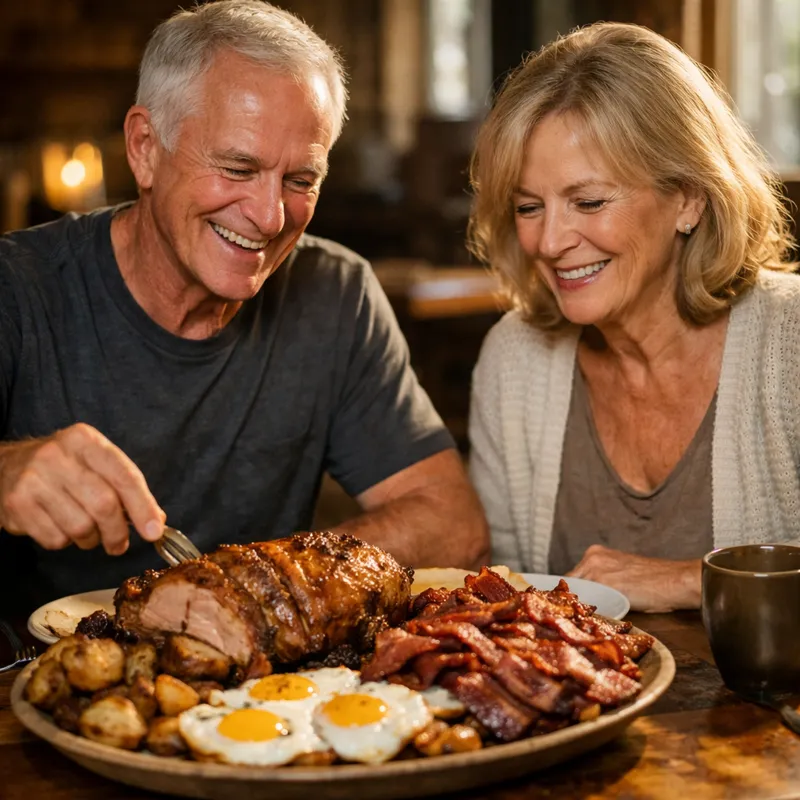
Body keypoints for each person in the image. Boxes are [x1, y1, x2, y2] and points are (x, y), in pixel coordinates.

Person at [0, 0, 489, 609]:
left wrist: (252, 581)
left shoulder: (336, 294)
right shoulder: (16, 288)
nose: (270, 216)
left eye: (301, 180)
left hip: (258, 692)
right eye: (237, 168)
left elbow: (454, 525)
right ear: (145, 148)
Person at [467, 22, 799, 613]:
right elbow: (502, 597)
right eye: (528, 207)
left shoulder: (790, 340)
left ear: (689, 198)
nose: (548, 241)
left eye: (589, 202)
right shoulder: (513, 359)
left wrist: (687, 581)